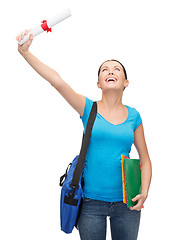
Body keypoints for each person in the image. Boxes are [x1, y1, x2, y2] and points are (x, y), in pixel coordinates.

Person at [16, 29, 152, 240]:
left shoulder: (134, 116)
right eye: (104, 70)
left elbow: (145, 160)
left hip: (127, 204)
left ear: (126, 83)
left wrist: (144, 192)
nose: (110, 71)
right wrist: (25, 53)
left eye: (117, 69)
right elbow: (57, 81)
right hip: (91, 203)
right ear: (98, 83)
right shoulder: (88, 108)